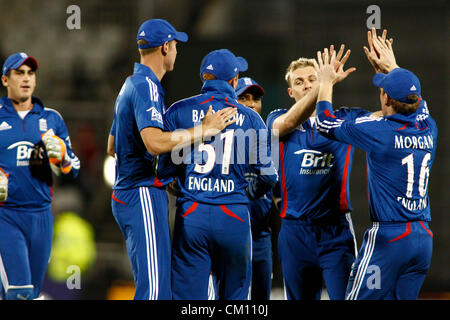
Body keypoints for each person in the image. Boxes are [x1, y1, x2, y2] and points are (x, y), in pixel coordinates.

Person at [108, 19, 237, 300]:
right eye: (176, 45)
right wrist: (203, 130)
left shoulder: (131, 83)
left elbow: (112, 145)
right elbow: (154, 143)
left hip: (129, 192)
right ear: (165, 47)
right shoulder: (147, 87)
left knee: (158, 288)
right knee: (155, 292)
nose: (177, 51)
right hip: (140, 191)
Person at [314, 29, 437, 300]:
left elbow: (324, 122)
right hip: (423, 237)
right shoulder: (429, 126)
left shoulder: (380, 131)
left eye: (383, 89)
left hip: (389, 239)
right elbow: (416, 101)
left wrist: (325, 82)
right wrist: (394, 68)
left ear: (386, 100)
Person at [266, 44, 381, 300]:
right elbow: (287, 124)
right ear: (290, 91)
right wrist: (323, 84)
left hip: (335, 232)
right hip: (295, 233)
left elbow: (388, 117)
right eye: (299, 81)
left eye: (312, 79)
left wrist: (387, 73)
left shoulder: (344, 120)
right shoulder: (277, 118)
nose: (307, 85)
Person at [160, 49, 278, 300]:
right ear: (234, 81)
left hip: (192, 215)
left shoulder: (177, 111)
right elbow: (268, 175)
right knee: (234, 300)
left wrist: (183, 185)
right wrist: (246, 192)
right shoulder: (251, 118)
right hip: (233, 215)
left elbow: (165, 172)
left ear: (204, 77)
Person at [0, 52, 80, 300]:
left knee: (32, 294)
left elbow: (74, 168)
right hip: (6, 215)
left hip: (42, 217)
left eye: (30, 73)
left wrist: (63, 156)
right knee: (20, 292)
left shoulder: (52, 118)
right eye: (19, 73)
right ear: (5, 80)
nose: (26, 79)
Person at [235, 77, 273, 300]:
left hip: (260, 236)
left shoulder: (270, 139)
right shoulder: (220, 138)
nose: (251, 104)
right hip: (230, 233)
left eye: (255, 99)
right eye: (243, 98)